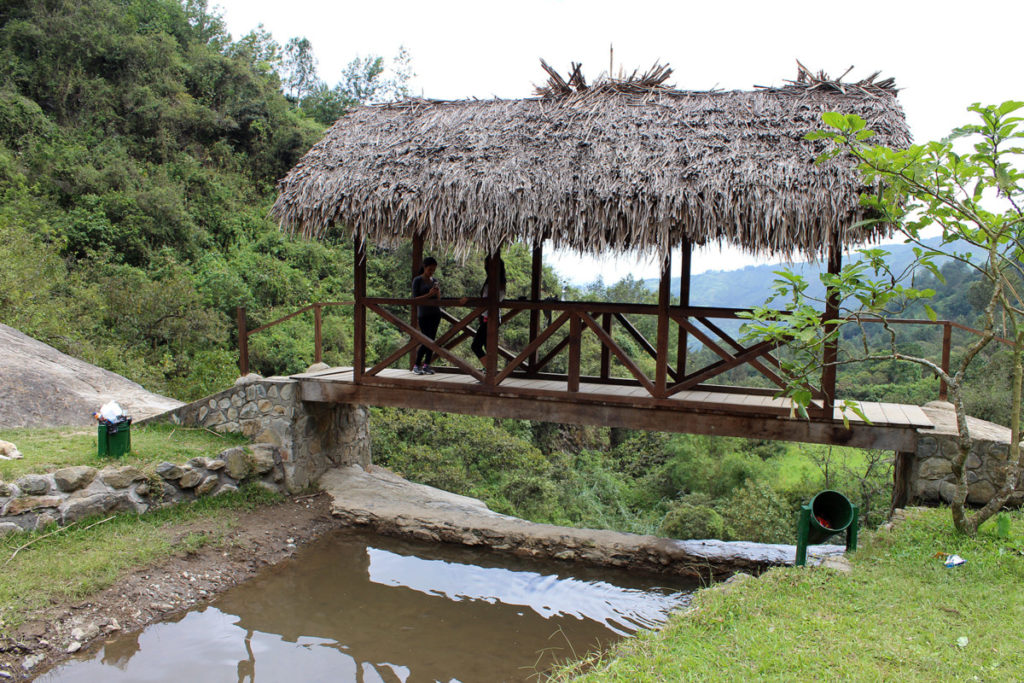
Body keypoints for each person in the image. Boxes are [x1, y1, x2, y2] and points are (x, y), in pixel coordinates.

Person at [471, 256, 507, 370]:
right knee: (488, 346)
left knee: (476, 345)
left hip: (491, 318)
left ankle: (490, 370)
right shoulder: (492, 280)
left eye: (487, 264)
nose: (485, 267)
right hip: (486, 317)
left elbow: (490, 300)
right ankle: (490, 370)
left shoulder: (498, 283)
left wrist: (468, 299)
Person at [411, 257, 441, 375]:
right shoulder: (417, 280)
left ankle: (426, 365)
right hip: (424, 314)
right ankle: (416, 365)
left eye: (433, 270)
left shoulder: (434, 280)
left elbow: (438, 299)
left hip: (435, 313)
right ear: (424, 267)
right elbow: (415, 299)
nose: (431, 272)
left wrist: (437, 293)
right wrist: (428, 294)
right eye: (430, 269)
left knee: (432, 340)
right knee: (426, 340)